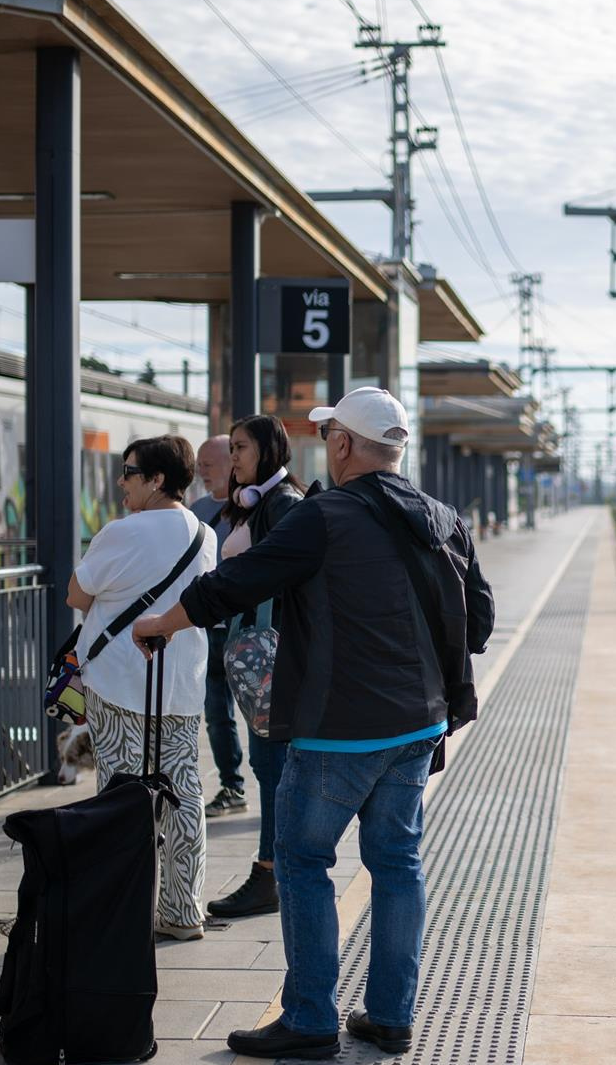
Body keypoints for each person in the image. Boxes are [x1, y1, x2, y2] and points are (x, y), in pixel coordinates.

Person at [132, 388, 494, 1060]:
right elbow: (482, 621)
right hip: (419, 726)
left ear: (345, 444)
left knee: (301, 860)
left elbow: (235, 584)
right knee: (397, 863)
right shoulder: (444, 517)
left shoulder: (323, 516)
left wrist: (161, 623)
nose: (328, 446)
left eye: (330, 436)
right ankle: (390, 1017)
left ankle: (309, 1019)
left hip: (337, 730)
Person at [67, 435, 217, 940]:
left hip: (119, 680)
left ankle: (123, 910)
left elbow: (77, 594)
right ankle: (182, 911)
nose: (121, 482)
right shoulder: (204, 534)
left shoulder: (120, 532)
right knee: (183, 792)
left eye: (129, 472)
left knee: (120, 793)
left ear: (157, 479)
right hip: (181, 683)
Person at [205, 415, 307, 920]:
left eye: (241, 447)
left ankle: (271, 873)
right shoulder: (258, 502)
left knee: (272, 768)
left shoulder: (283, 503)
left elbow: (279, 576)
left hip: (273, 657)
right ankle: (277, 870)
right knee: (270, 768)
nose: (233, 457)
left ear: (268, 450)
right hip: (260, 655)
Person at [189, 435, 247, 819]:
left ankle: (273, 785)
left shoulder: (254, 508)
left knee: (262, 715)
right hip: (209, 628)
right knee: (216, 713)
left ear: (230, 464)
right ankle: (232, 786)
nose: (201, 472)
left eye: (207, 464)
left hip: (245, 627)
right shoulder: (196, 511)